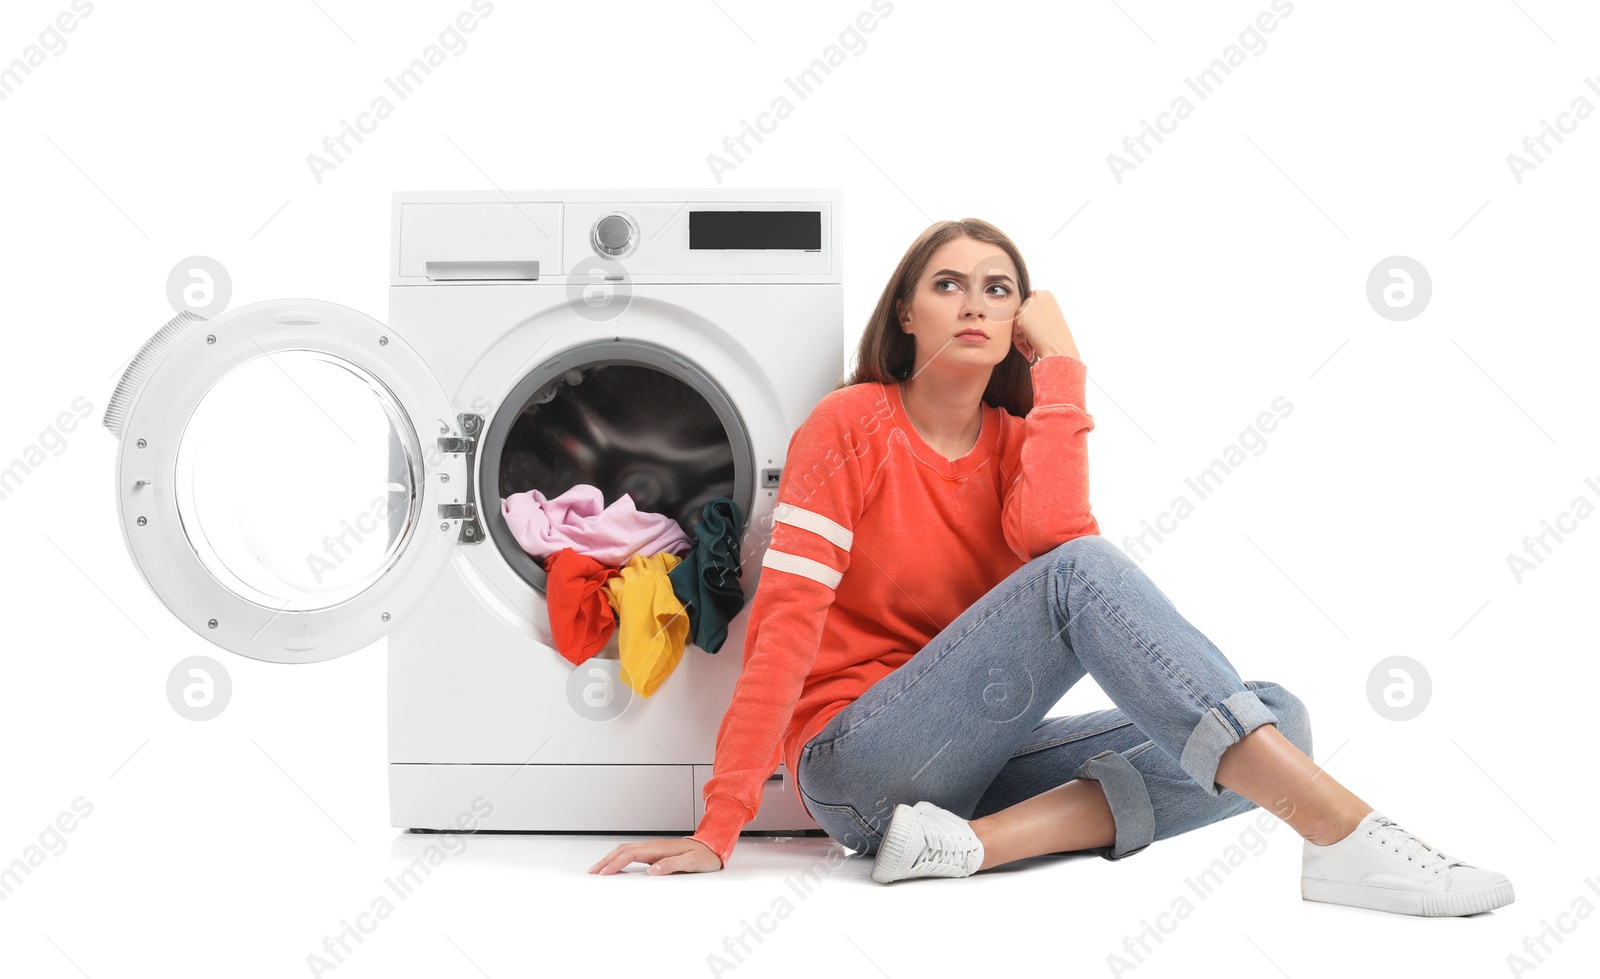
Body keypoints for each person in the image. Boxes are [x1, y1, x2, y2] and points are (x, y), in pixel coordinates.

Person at [588, 219, 1513, 917]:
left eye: (1000, 289)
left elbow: (1057, 534)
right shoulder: (851, 425)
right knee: (1091, 582)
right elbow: (787, 628)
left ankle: (963, 849)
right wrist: (720, 825)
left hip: (967, 769)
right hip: (855, 762)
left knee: (1281, 718)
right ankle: (1344, 831)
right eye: (949, 284)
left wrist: (1063, 372)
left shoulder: (1025, 442)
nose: (977, 303)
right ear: (906, 313)